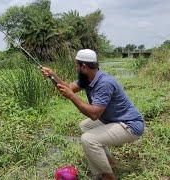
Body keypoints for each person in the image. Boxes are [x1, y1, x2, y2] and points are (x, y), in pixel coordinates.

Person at [41, 49, 144, 180]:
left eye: (77, 65)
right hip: (113, 120)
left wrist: (72, 97)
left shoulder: (104, 83)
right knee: (85, 126)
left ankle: (107, 176)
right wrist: (52, 75)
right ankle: (109, 162)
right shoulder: (88, 78)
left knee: (88, 139)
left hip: (129, 125)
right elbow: (67, 88)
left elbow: (94, 114)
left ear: (83, 66)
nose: (76, 68)